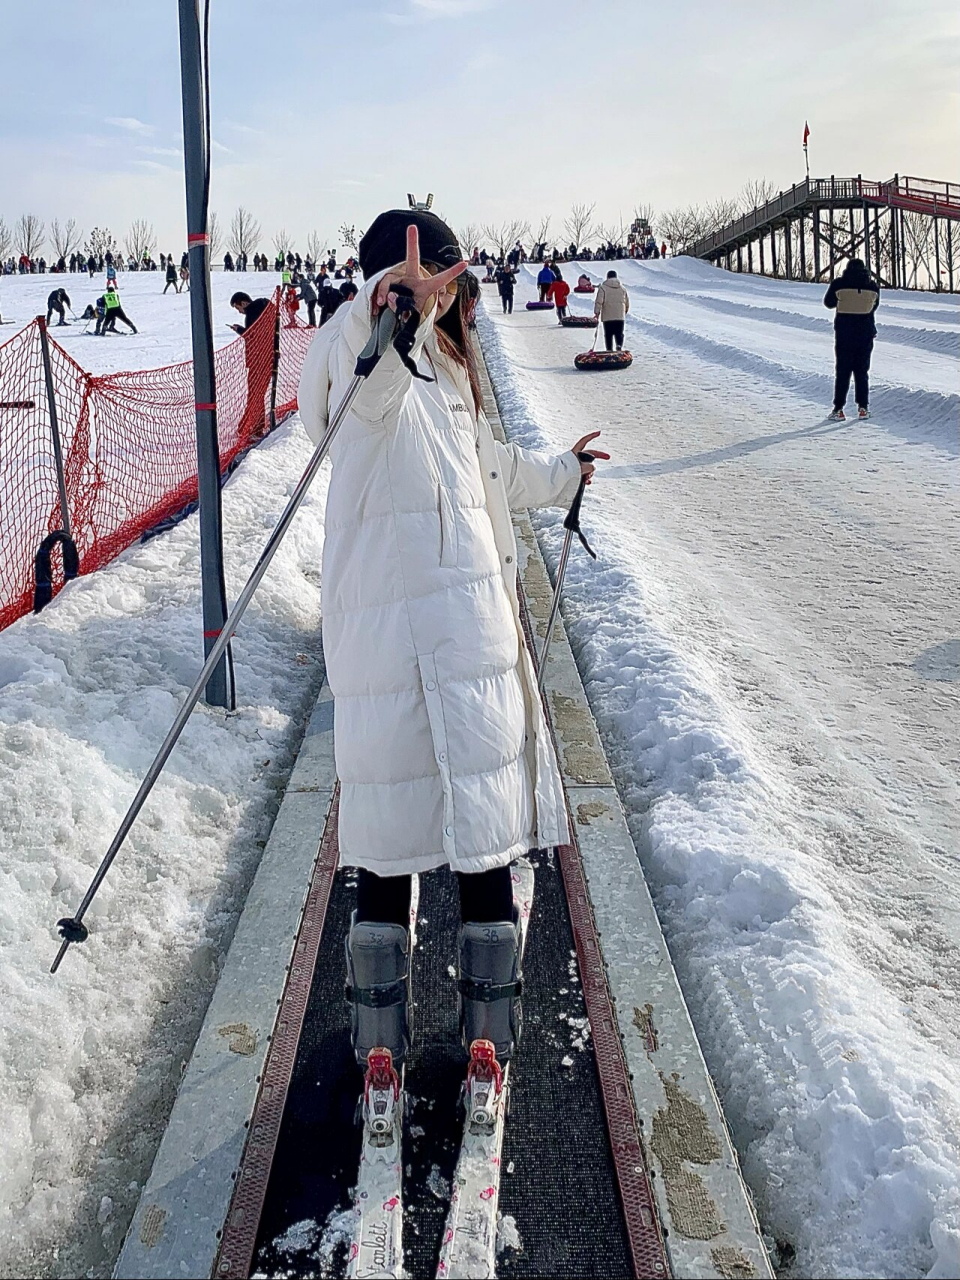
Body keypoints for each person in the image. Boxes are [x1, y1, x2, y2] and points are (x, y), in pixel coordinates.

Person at [297, 211, 608, 1087]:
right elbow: (348, 407)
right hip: (396, 649)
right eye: (444, 282)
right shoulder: (357, 354)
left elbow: (492, 471)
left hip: (471, 640)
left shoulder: (444, 369)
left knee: (483, 838)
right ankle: (379, 1039)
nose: (454, 302)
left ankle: (484, 1035)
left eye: (453, 289)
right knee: (389, 843)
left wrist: (567, 476)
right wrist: (388, 306)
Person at [824, 258, 880, 420]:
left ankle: (838, 409)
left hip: (844, 333)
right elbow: (874, 307)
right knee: (862, 372)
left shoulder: (839, 284)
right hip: (866, 333)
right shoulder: (872, 286)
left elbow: (829, 303)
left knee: (843, 371)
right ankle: (863, 408)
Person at [229, 291, 273, 438]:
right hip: (267, 358)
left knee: (255, 395)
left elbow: (253, 336)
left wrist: (240, 330)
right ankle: (251, 425)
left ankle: (254, 428)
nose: (240, 312)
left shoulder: (252, 313)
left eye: (238, 308)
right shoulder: (264, 309)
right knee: (257, 394)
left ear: (243, 303)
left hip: (258, 361)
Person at [594, 270, 629, 350]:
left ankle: (609, 349)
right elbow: (626, 302)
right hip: (620, 316)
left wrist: (597, 312)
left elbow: (599, 301)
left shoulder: (603, 288)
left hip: (607, 316)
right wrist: (624, 311)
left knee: (608, 334)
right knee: (619, 333)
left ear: (607, 277)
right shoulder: (623, 289)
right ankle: (619, 346)